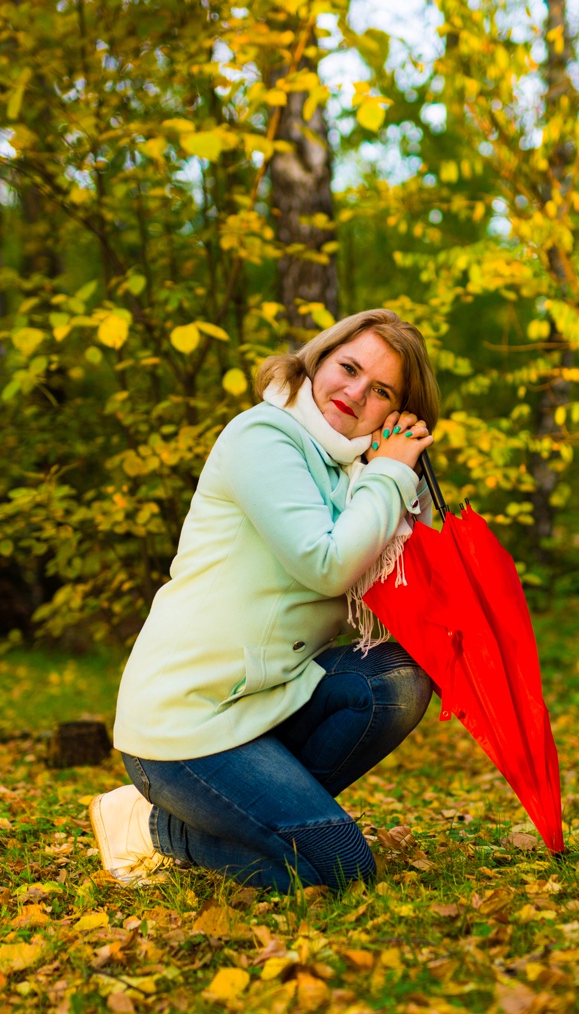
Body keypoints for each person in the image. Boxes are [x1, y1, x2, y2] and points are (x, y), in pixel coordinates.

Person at [89, 308, 439, 893]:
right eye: (348, 368)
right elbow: (325, 564)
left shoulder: (358, 472)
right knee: (341, 869)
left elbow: (393, 603)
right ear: (317, 360)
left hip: (269, 704)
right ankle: (155, 826)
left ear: (397, 414)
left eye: (381, 391)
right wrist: (390, 479)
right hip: (187, 720)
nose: (355, 393)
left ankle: (267, 817)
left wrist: (400, 477)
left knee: (398, 677)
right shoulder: (263, 436)